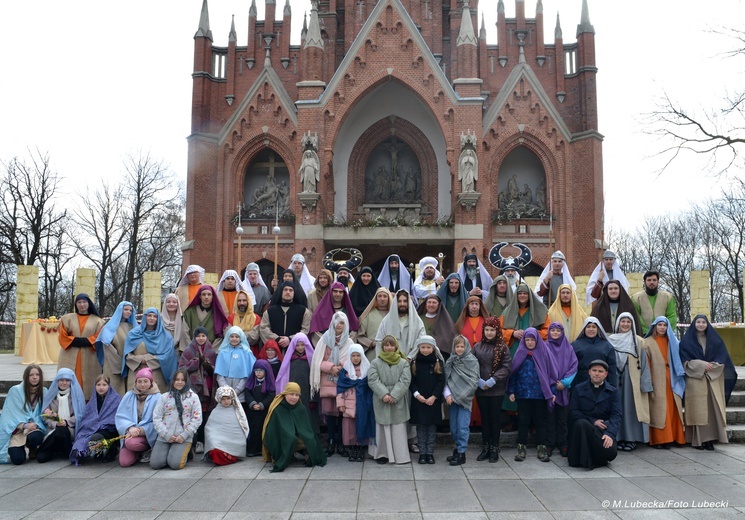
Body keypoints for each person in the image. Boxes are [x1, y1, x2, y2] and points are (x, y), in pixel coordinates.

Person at [679, 315, 737, 450]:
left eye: (703, 322)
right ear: (694, 324)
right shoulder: (686, 342)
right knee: (697, 411)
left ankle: (710, 440)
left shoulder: (716, 341)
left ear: (707, 324)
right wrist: (701, 365)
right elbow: (684, 362)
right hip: (695, 380)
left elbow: (724, 360)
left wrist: (711, 366)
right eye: (698, 322)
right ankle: (697, 440)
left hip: (712, 380)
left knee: (712, 411)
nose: (700, 325)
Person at [508, 328, 556, 462]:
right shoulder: (520, 354)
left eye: (532, 340)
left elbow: (551, 374)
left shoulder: (544, 353)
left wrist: (552, 391)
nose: (529, 342)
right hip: (523, 394)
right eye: (527, 340)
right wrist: (511, 391)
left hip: (540, 394)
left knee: (540, 421)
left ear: (537, 340)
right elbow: (513, 373)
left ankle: (541, 448)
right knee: (523, 421)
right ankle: (521, 447)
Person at [310, 312, 354, 456]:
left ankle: (341, 443)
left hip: (343, 382)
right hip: (327, 381)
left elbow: (353, 359)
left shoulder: (349, 342)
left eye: (342, 323)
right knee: (330, 416)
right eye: (337, 323)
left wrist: (340, 367)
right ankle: (330, 442)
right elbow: (317, 361)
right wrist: (331, 367)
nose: (339, 325)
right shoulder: (324, 340)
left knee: (341, 414)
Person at [608, 313, 652, 451]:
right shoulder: (611, 340)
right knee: (616, 408)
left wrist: (645, 384)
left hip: (632, 379)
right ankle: (618, 437)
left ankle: (631, 438)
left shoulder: (638, 341)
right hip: (615, 378)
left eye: (628, 321)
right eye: (623, 321)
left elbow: (644, 363)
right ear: (618, 323)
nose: (625, 324)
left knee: (631, 409)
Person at [567, 360, 621, 469]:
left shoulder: (613, 392)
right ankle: (582, 460)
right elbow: (573, 411)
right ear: (589, 372)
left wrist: (610, 434)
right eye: (594, 370)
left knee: (611, 453)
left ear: (606, 374)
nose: (597, 373)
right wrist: (593, 421)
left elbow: (616, 415)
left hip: (602, 430)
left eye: (600, 371)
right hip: (583, 427)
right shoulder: (578, 389)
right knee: (581, 424)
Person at [262, 382, 327, 472]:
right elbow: (273, 430)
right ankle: (285, 456)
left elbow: (306, 428)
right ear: (285, 394)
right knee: (290, 438)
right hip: (281, 437)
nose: (294, 397)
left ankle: (305, 453)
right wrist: (289, 434)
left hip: (297, 435)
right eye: (291, 394)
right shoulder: (278, 409)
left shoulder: (300, 408)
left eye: (297, 395)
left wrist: (304, 436)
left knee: (309, 438)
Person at [367, 335, 412, 464]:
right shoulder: (375, 362)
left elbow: (405, 380)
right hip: (381, 399)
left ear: (396, 347)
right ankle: (382, 454)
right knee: (382, 426)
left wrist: (394, 395)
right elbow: (373, 379)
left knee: (398, 427)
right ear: (383, 347)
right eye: (386, 345)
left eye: (392, 345)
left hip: (398, 399)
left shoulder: (403, 363)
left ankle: (400, 455)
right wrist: (384, 394)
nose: (389, 348)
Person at [472, 317, 512, 461]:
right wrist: (478, 380)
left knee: (494, 418)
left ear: (497, 331)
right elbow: (471, 363)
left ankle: (495, 447)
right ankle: (486, 446)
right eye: (487, 330)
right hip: (481, 388)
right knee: (485, 418)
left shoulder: (502, 347)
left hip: (496, 389)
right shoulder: (477, 346)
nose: (489, 333)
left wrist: (493, 379)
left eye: (492, 330)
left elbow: (507, 366)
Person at [643, 316, 685, 449]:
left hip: (672, 378)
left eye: (664, 325)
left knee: (673, 409)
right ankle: (660, 440)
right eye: (659, 325)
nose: (662, 327)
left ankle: (674, 437)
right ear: (654, 326)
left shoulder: (672, 341)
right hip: (657, 379)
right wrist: (649, 381)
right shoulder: (647, 342)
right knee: (660, 410)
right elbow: (646, 364)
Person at [150, 368, 202, 470]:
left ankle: (186, 452)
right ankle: (169, 452)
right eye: (177, 379)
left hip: (183, 436)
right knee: (156, 464)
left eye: (183, 380)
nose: (179, 382)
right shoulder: (165, 397)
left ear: (187, 381)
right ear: (173, 381)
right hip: (165, 435)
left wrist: (184, 435)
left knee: (175, 464)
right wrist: (166, 434)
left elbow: (197, 418)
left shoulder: (193, 397)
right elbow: (156, 417)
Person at [58, 293, 105, 401]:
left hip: (90, 356)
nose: (82, 305)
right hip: (69, 355)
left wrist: (83, 340)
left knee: (88, 382)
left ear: (89, 303)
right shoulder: (66, 319)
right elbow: (62, 336)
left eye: (84, 302)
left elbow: (99, 337)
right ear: (76, 304)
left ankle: (89, 403)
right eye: (79, 302)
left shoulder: (98, 321)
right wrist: (80, 340)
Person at [178, 326, 217, 454]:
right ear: (194, 337)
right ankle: (191, 440)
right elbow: (181, 369)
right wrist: (194, 363)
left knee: (205, 414)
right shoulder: (188, 351)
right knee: (192, 413)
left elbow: (216, 370)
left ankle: (201, 440)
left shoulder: (211, 352)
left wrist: (206, 365)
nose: (201, 338)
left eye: (203, 336)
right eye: (198, 336)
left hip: (208, 388)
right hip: (193, 388)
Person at [123, 307, 178, 392]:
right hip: (136, 372)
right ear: (145, 317)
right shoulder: (133, 334)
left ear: (158, 319)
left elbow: (168, 357)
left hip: (156, 373)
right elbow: (127, 355)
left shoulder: (166, 337)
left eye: (155, 316)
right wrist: (139, 360)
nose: (152, 318)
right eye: (149, 315)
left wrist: (147, 359)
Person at [444, 335, 479, 466]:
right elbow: (446, 379)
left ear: (467, 347)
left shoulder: (472, 361)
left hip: (464, 400)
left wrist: (461, 396)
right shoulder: (450, 361)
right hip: (452, 400)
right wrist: (448, 395)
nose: (459, 349)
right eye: (457, 346)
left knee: (462, 427)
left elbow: (473, 381)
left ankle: (462, 453)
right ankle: (457, 448)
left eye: (462, 346)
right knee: (453, 427)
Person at [70, 375, 122, 465]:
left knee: (96, 437)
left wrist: (101, 424)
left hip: (109, 429)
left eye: (104, 385)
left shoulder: (116, 399)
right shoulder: (92, 401)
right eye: (98, 385)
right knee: (77, 451)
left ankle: (111, 451)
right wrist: (93, 425)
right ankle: (93, 452)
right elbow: (87, 418)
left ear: (109, 386)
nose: (101, 387)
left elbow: (117, 418)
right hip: (92, 428)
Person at [335, 344, 375, 462]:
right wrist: (340, 403)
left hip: (363, 405)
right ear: (349, 356)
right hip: (349, 406)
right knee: (350, 429)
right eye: (353, 356)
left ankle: (361, 449)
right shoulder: (345, 371)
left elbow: (370, 388)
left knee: (361, 426)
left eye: (358, 355)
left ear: (362, 356)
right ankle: (352, 449)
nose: (356, 358)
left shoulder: (367, 370)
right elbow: (340, 388)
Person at [409, 336, 445, 464]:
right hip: (419, 401)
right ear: (419, 348)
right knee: (420, 428)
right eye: (423, 347)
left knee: (431, 427)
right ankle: (422, 453)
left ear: (433, 348)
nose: (425, 350)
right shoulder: (414, 363)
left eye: (428, 347)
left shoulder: (438, 362)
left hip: (432, 401)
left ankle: (430, 453)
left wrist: (434, 396)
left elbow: (441, 382)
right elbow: (411, 382)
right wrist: (417, 395)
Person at [0, 365, 46, 465]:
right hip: (18, 430)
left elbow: (44, 414)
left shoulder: (44, 391)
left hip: (34, 428)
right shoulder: (15, 391)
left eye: (37, 374)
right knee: (18, 460)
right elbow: (9, 416)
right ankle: (14, 448)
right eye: (31, 375)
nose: (35, 377)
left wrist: (34, 424)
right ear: (26, 377)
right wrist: (24, 425)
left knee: (36, 437)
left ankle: (32, 447)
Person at [37, 368, 85, 463]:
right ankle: (61, 450)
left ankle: (45, 449)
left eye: (67, 380)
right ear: (57, 381)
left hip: (69, 430)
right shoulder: (51, 396)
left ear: (71, 382)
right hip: (53, 430)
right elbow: (45, 416)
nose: (64, 383)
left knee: (62, 430)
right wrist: (55, 424)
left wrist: (66, 422)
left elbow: (80, 414)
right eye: (61, 380)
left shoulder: (76, 397)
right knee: (41, 458)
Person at [545, 322, 578, 457]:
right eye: (553, 330)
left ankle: (563, 444)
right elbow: (542, 366)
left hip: (563, 389)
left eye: (558, 331)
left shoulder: (568, 348)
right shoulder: (545, 347)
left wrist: (564, 383)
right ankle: (549, 444)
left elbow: (574, 366)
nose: (556, 333)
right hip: (549, 390)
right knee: (549, 418)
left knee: (562, 419)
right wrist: (551, 383)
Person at [115, 367, 161, 466]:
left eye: (145, 381)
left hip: (147, 434)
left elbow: (159, 421)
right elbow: (120, 416)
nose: (142, 384)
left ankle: (147, 449)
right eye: (139, 381)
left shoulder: (158, 397)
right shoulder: (129, 395)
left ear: (151, 382)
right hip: (130, 433)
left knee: (131, 443)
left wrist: (141, 430)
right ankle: (138, 453)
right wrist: (129, 427)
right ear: (135, 383)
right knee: (124, 462)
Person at [275, 333, 319, 435]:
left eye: (302, 345)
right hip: (293, 394)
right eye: (297, 345)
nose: (300, 347)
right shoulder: (290, 359)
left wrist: (314, 399)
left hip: (307, 394)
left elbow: (316, 380)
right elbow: (283, 376)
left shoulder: (311, 360)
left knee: (308, 418)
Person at [95, 301, 137, 396]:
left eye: (130, 310)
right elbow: (108, 348)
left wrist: (130, 362)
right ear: (119, 310)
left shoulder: (133, 327)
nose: (128, 312)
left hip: (130, 365)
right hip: (113, 366)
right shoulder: (108, 328)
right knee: (115, 391)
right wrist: (120, 365)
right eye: (125, 309)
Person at [259, 281, 312, 351]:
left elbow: (305, 330)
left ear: (294, 293)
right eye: (285, 290)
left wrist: (290, 339)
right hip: (274, 352)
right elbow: (263, 328)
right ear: (281, 292)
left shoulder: (304, 311)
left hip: (295, 352)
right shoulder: (270, 311)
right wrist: (277, 339)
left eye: (290, 290)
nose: (288, 292)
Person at [215, 326, 257, 412]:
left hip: (240, 395)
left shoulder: (246, 352)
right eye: (232, 336)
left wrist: (236, 391)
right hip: (225, 395)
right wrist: (226, 391)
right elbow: (219, 375)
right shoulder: (222, 352)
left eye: (237, 336)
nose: (234, 339)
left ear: (241, 338)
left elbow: (247, 376)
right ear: (228, 337)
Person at [204, 386, 249, 465]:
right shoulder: (215, 412)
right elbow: (209, 429)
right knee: (215, 452)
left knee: (221, 454)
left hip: (232, 443)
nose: (226, 401)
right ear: (219, 399)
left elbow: (241, 429)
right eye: (223, 399)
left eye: (228, 398)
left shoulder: (238, 412)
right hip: (218, 442)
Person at [374, 289, 426, 358]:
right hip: (390, 362)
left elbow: (421, 342)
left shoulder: (417, 321)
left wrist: (410, 358)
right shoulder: (386, 321)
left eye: (405, 301)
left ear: (409, 303)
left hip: (411, 361)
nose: (402, 304)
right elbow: (379, 341)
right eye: (399, 301)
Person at [572, 317, 619, 388]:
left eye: (594, 327)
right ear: (584, 329)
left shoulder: (607, 346)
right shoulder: (575, 345)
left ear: (598, 329)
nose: (591, 329)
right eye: (588, 327)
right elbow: (571, 366)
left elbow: (612, 367)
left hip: (602, 383)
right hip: (580, 382)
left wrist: (612, 386)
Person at [245, 360, 276, 456]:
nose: (258, 373)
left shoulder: (269, 382)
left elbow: (271, 395)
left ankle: (263, 449)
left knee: (263, 430)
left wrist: (262, 405)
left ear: (266, 371)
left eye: (261, 370)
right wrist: (253, 404)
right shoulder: (251, 382)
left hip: (264, 412)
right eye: (256, 370)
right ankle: (252, 449)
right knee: (253, 430)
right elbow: (247, 393)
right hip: (252, 412)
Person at [632, 270, 678, 334]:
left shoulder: (667, 297)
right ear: (644, 282)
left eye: (654, 280)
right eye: (649, 280)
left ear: (658, 281)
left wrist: (663, 330)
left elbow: (672, 316)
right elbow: (636, 316)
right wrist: (647, 332)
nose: (652, 282)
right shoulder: (636, 298)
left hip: (663, 335)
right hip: (643, 336)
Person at [357, 287, 391, 362]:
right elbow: (360, 335)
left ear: (389, 298)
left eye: (385, 296)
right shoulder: (368, 315)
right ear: (376, 298)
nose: (382, 299)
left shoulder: (393, 315)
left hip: (391, 352)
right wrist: (371, 343)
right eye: (379, 296)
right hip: (373, 353)